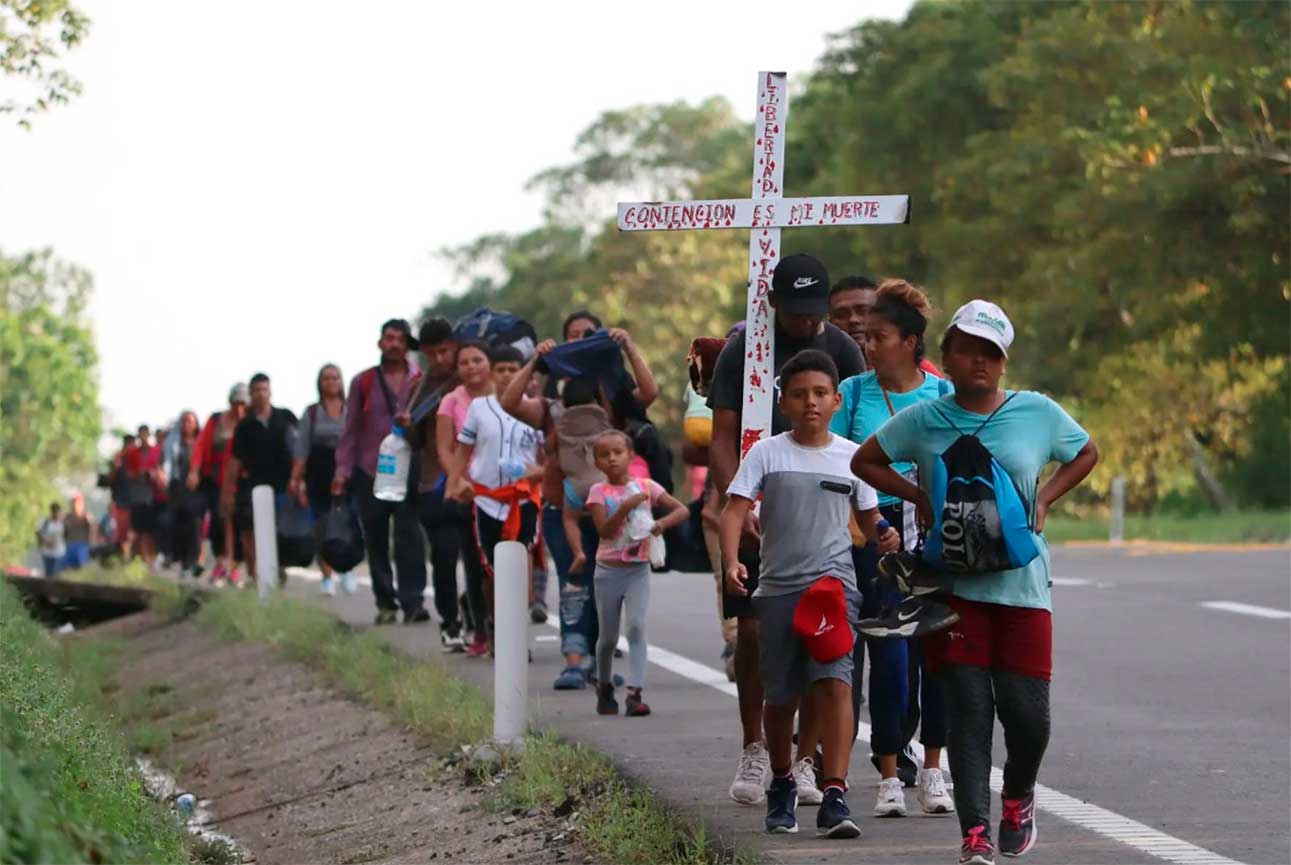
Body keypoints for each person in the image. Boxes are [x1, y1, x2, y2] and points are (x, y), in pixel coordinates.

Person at [852, 300, 1099, 864]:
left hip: (1023, 589)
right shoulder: (925, 419)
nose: (979, 361)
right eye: (967, 349)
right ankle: (975, 835)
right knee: (968, 714)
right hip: (954, 591)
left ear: (1004, 362)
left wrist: (1047, 501)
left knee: (1028, 716)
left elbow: (1085, 451)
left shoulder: (1034, 412)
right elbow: (866, 461)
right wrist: (920, 498)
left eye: (991, 352)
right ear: (946, 356)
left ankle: (1017, 797)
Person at [707, 253, 864, 805]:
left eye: (813, 310)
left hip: (818, 516)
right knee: (753, 633)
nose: (804, 321)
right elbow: (722, 435)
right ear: (771, 303)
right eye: (793, 311)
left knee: (824, 640)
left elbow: (855, 441)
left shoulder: (843, 350)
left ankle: (804, 759)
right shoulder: (743, 349)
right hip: (755, 500)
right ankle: (756, 748)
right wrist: (740, 501)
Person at [720, 349, 897, 838]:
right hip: (778, 589)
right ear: (784, 403)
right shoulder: (766, 453)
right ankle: (781, 782)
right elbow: (733, 511)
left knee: (837, 684)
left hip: (834, 587)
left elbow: (867, 516)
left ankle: (835, 794)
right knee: (781, 695)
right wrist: (732, 561)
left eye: (820, 393)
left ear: (837, 400)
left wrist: (882, 530)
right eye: (799, 394)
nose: (811, 402)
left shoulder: (852, 457)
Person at [830, 279, 955, 817]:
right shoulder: (853, 393)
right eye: (866, 336)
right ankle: (887, 773)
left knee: (940, 654)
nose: (867, 342)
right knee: (889, 653)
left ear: (909, 341)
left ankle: (933, 767)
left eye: (879, 335)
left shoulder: (942, 396)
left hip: (934, 530)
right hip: (873, 532)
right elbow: (835, 461)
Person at [499, 341, 603, 689]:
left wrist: (627, 348)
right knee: (574, 583)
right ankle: (574, 660)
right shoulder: (550, 411)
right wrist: (535, 361)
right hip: (561, 512)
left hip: (608, 515)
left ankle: (597, 661)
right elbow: (509, 402)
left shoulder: (611, 404)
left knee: (603, 587)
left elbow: (648, 393)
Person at [445, 344, 543, 656]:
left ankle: (517, 638)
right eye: (500, 370)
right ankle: (495, 628)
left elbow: (551, 457)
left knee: (520, 564)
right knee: (492, 570)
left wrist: (539, 472)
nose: (506, 375)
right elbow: (463, 448)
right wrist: (454, 480)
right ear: (492, 373)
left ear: (524, 375)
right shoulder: (479, 408)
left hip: (525, 499)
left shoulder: (537, 409)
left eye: (512, 370)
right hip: (487, 499)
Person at [586, 431, 689, 717]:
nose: (612, 459)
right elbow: (604, 531)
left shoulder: (646, 486)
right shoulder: (598, 493)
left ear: (631, 456)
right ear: (597, 463)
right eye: (604, 455)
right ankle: (604, 685)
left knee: (635, 627)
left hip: (638, 571)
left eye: (618, 452)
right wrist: (624, 507)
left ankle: (635, 692)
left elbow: (681, 510)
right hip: (607, 571)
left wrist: (661, 524)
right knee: (607, 638)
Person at [332, 320, 427, 624]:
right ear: (380, 343)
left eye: (400, 339)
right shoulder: (364, 382)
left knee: (409, 536)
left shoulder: (420, 378)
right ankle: (385, 602)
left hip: (408, 467)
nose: (395, 344)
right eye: (389, 338)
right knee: (375, 536)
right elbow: (350, 429)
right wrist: (342, 469)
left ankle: (413, 601)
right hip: (370, 469)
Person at [407, 317, 466, 651]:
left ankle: (482, 618)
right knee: (443, 555)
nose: (440, 360)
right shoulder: (423, 387)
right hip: (436, 483)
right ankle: (450, 622)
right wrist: (408, 425)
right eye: (433, 354)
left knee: (478, 558)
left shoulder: (474, 374)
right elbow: (414, 440)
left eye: (444, 351)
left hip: (479, 480)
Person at [221, 373, 298, 585]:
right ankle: (256, 573)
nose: (261, 394)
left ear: (270, 391)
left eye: (264, 389)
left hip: (284, 484)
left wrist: (300, 480)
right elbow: (234, 461)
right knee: (249, 530)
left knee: (282, 530)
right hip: (254, 485)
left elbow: (300, 450)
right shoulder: (245, 426)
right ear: (251, 394)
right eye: (256, 390)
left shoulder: (286, 417)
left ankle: (278, 566)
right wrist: (227, 493)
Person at [291, 363, 354, 596]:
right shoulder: (311, 413)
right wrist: (295, 480)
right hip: (318, 475)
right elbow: (301, 450)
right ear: (320, 383)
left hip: (347, 473)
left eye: (335, 378)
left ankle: (345, 567)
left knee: (346, 524)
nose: (331, 382)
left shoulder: (351, 409)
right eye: (326, 378)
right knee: (323, 526)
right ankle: (327, 575)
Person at [191, 384, 249, 586]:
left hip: (241, 482)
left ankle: (234, 568)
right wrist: (194, 471)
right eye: (237, 404)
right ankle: (221, 563)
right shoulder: (216, 420)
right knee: (219, 522)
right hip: (215, 482)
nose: (240, 409)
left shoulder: (249, 423)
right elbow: (200, 446)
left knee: (240, 524)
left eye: (244, 405)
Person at [164, 410, 205, 577]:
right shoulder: (173, 443)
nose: (187, 424)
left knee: (194, 526)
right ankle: (180, 560)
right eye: (184, 421)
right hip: (177, 489)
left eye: (190, 421)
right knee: (177, 525)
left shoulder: (200, 443)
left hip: (196, 490)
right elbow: (167, 464)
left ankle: (192, 562)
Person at [126, 424, 163, 569]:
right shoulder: (132, 453)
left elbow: (161, 470)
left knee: (151, 530)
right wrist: (139, 473)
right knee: (138, 529)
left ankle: (151, 557)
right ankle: (140, 557)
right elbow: (129, 473)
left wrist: (152, 474)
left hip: (153, 495)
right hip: (137, 495)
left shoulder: (156, 451)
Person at [107, 434, 135, 558]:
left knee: (131, 533)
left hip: (133, 502)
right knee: (119, 533)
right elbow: (109, 480)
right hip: (119, 502)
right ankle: (120, 556)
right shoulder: (118, 459)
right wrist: (116, 466)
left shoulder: (136, 459)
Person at [62, 494, 94, 571]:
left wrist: (90, 544)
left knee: (82, 569)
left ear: (82, 505)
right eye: (74, 503)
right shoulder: (67, 517)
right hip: (70, 545)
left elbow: (92, 531)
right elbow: (63, 533)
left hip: (82, 546)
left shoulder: (86, 517)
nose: (75, 506)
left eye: (78, 504)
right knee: (69, 569)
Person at [36, 502, 66, 577]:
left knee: (57, 573)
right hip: (47, 552)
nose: (57, 514)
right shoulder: (45, 522)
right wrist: (47, 543)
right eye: (55, 512)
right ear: (52, 512)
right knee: (49, 572)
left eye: (59, 512)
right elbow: (39, 534)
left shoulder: (63, 523)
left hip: (59, 552)